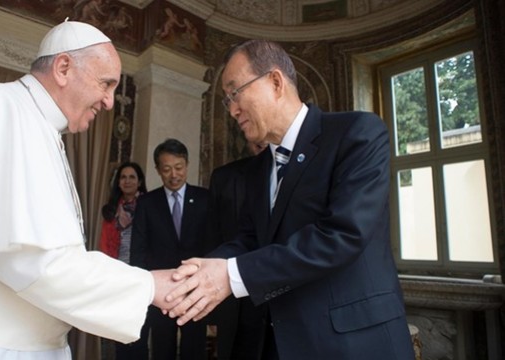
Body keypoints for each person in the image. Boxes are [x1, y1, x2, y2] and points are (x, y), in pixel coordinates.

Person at [0, 20, 181, 360]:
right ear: (63, 68)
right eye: (106, 84)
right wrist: (148, 286)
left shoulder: (39, 126)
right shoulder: (1, 108)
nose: (109, 102)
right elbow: (32, 263)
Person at [166, 39, 416, 360]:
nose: (231, 110)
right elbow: (249, 240)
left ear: (275, 82)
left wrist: (230, 275)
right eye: (226, 100)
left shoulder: (357, 133)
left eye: (235, 93)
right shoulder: (257, 170)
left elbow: (342, 235)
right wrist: (199, 273)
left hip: (353, 344)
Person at [131, 138, 209, 360]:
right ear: (157, 170)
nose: (174, 175)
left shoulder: (205, 199)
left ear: (187, 165)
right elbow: (138, 249)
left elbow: (212, 243)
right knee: (162, 347)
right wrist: (144, 288)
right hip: (161, 292)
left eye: (178, 167)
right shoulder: (147, 203)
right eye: (166, 169)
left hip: (196, 289)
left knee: (194, 349)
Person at [205, 140, 268, 360]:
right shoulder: (224, 177)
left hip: (279, 292)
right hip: (231, 294)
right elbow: (213, 237)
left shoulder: (299, 173)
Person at [99, 161, 150, 359]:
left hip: (142, 275)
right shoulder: (111, 211)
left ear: (139, 182)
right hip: (119, 276)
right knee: (121, 333)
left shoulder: (150, 205)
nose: (127, 181)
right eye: (123, 177)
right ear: (118, 183)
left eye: (132, 177)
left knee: (140, 333)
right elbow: (105, 246)